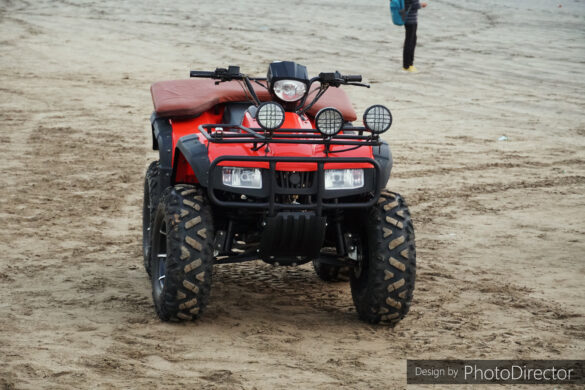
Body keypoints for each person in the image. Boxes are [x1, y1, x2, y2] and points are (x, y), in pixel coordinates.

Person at [403, 0, 427, 72]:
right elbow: (415, 5)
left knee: (410, 41)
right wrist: (422, 4)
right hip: (411, 19)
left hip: (405, 17)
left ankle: (408, 65)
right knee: (410, 42)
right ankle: (408, 65)